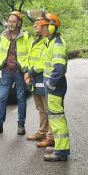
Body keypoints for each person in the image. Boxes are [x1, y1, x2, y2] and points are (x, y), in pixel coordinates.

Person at [0, 11, 31, 136]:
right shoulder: (4, 35)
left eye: (13, 22)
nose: (10, 24)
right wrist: (0, 65)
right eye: (9, 21)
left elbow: (29, 54)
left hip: (20, 71)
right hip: (6, 71)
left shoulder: (26, 36)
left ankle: (21, 124)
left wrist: (26, 69)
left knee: (21, 98)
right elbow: (1, 51)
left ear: (19, 23)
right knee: (2, 97)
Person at [41, 13, 70, 162]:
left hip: (55, 87)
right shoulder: (50, 42)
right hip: (53, 87)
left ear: (52, 27)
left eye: (44, 26)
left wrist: (50, 84)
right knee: (55, 118)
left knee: (57, 119)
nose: (41, 28)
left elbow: (58, 69)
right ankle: (59, 146)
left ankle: (61, 152)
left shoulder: (57, 44)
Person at [24, 17, 53, 144]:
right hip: (34, 77)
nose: (35, 26)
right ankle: (42, 132)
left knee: (48, 108)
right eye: (34, 24)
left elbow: (43, 62)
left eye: (38, 24)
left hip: (42, 76)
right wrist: (27, 71)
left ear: (44, 26)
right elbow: (29, 57)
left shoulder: (46, 41)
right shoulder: (35, 40)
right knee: (40, 107)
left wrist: (30, 72)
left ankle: (50, 136)